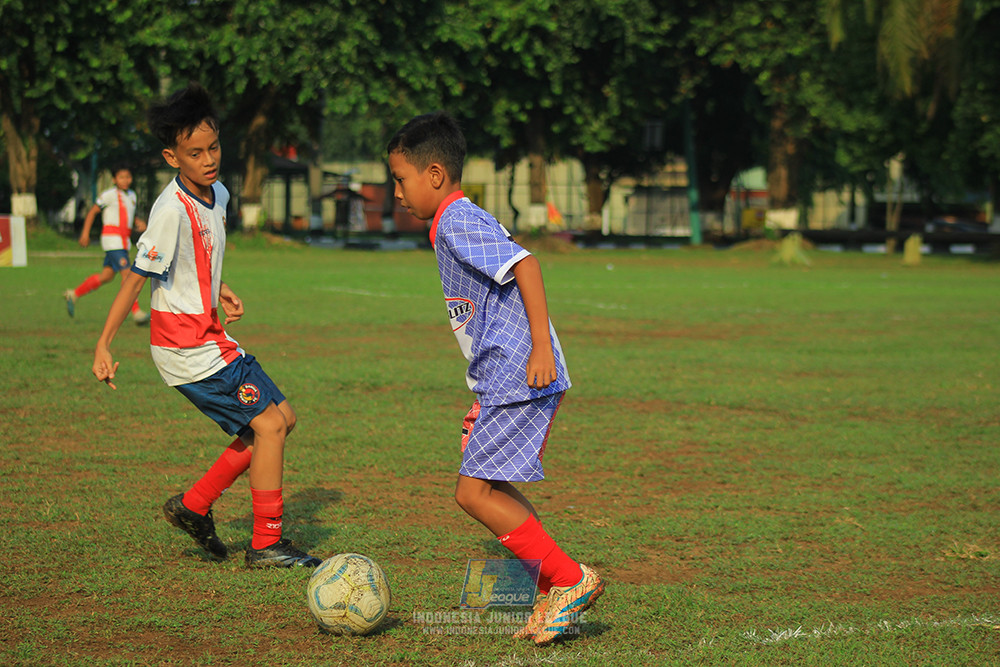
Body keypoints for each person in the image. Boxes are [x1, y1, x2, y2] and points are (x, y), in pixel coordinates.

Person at [387, 111, 605, 645]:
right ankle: (560, 587)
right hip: (501, 377)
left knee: (472, 491)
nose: (396, 192)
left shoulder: (457, 220)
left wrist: (537, 348)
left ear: (435, 174)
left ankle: (571, 580)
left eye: (400, 179)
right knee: (489, 486)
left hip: (520, 371)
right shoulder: (452, 222)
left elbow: (526, 264)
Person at [91, 83, 320, 569]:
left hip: (209, 336)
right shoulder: (169, 210)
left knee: (284, 419)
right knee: (269, 427)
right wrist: (104, 343)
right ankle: (266, 545)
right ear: (173, 157)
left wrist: (218, 289)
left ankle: (194, 506)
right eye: (194, 153)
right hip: (185, 347)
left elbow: (198, 257)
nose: (207, 159)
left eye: (212, 147)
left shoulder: (218, 195)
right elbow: (137, 278)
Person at [65, 165, 150, 324]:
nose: (125, 180)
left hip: (123, 241)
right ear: (114, 179)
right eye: (121, 177)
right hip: (112, 240)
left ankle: (74, 294)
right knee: (128, 275)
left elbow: (127, 215)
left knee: (107, 276)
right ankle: (136, 311)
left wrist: (138, 222)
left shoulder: (132, 195)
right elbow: (92, 212)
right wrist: (85, 233)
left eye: (128, 177)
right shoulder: (108, 195)